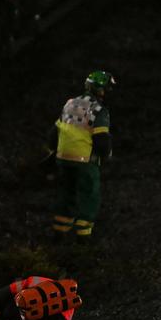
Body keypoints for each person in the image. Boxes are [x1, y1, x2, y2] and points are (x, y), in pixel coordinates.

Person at [52, 71, 113, 241]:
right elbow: (101, 139)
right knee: (89, 194)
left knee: (66, 192)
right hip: (84, 160)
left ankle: (59, 230)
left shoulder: (70, 104)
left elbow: (55, 131)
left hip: (63, 157)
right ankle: (83, 236)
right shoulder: (99, 110)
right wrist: (107, 155)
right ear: (101, 90)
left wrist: (50, 152)